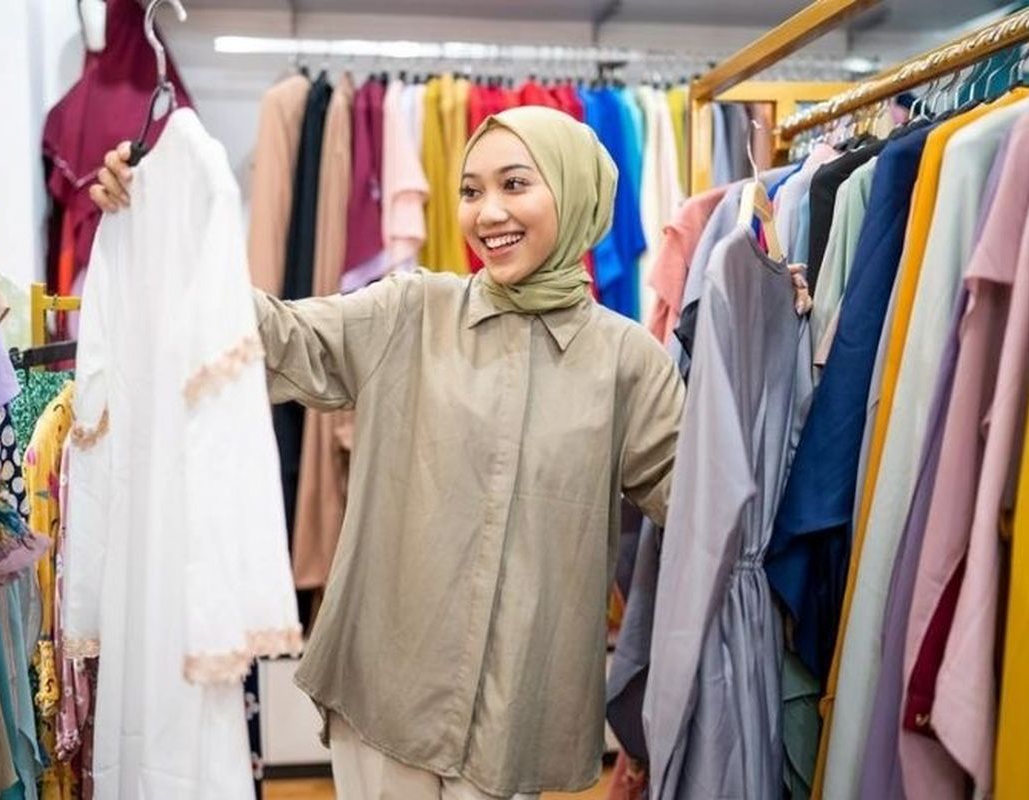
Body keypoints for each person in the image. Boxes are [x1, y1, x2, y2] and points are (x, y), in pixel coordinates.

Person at [90, 105, 685, 800]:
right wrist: (162, 219)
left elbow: (700, 507)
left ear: (577, 190)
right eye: (470, 191)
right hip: (387, 691)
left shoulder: (626, 363)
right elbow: (274, 336)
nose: (488, 212)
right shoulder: (412, 312)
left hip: (517, 707)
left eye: (516, 184)